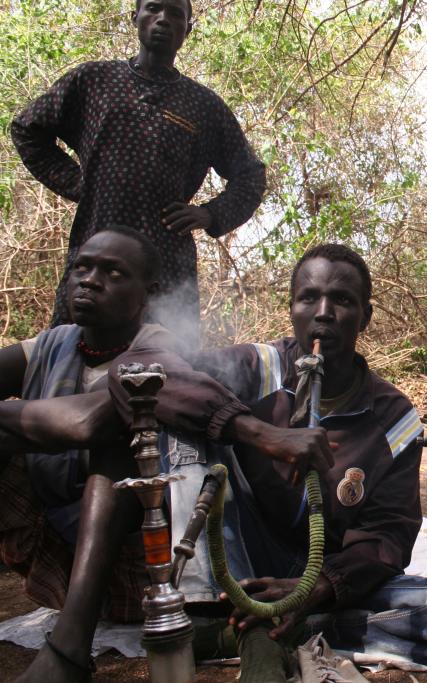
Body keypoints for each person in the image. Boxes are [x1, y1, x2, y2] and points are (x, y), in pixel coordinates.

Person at [109, 244, 427, 680]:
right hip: (235, 565)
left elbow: (387, 535)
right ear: (292, 309)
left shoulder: (393, 418)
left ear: (366, 317)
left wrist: (318, 588)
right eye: (309, 298)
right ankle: (223, 613)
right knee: (185, 425)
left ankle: (268, 631)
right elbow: (133, 369)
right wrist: (259, 432)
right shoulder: (256, 368)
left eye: (341, 300)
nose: (324, 313)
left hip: (324, 584)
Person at [0, 228, 336, 682]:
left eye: (113, 272)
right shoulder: (51, 345)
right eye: (83, 267)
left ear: (148, 293)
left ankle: (69, 647)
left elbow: (88, 423)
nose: (90, 280)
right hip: (48, 538)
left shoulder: (157, 346)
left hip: (135, 563)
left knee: (121, 436)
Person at [11, 0, 266, 341]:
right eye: (153, 9)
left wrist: (209, 214)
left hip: (166, 264)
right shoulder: (93, 81)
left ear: (187, 30)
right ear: (135, 18)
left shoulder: (205, 107)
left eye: (175, 14)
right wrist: (76, 182)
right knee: (72, 350)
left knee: (167, 366)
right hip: (95, 250)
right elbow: (27, 128)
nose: (163, 20)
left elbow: (250, 177)